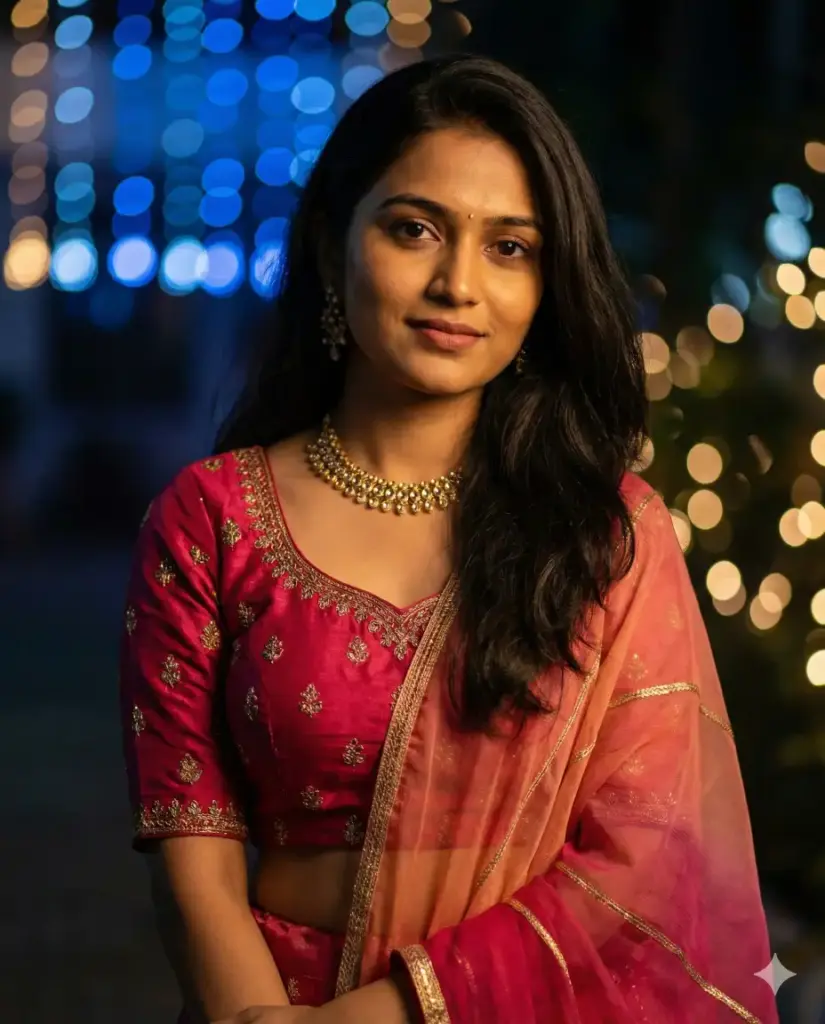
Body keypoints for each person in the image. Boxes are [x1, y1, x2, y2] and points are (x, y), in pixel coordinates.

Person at [119, 54, 778, 1024]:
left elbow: (643, 857)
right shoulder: (211, 518)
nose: (457, 283)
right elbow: (193, 851)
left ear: (549, 284)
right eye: (415, 228)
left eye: (510, 248)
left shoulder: (604, 534)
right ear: (336, 239)